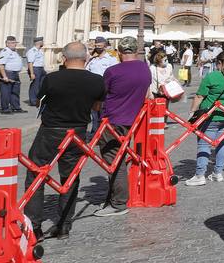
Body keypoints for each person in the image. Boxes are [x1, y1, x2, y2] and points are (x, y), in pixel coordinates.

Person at [23, 42, 106, 239]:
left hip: (50, 131)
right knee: (70, 177)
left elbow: (40, 102)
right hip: (77, 132)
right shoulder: (97, 80)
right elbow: (96, 107)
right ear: (86, 58)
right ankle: (64, 225)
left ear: (63, 58)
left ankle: (34, 226)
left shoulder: (52, 78)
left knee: (36, 174)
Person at [96, 36, 152, 217]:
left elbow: (102, 95)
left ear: (119, 53)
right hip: (133, 121)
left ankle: (118, 203)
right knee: (119, 160)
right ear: (136, 51)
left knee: (115, 161)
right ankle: (113, 198)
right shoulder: (145, 69)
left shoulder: (113, 71)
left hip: (112, 121)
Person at [186, 51, 224, 186]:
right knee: (222, 144)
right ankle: (218, 173)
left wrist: (192, 112)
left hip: (211, 115)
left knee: (204, 143)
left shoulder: (212, 77)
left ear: (219, 63)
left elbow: (199, 96)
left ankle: (200, 175)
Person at [0, 36, 26, 114]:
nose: (15, 44)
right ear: (8, 43)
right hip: (8, 73)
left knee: (15, 91)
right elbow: (1, 65)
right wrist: (4, 76)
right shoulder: (5, 52)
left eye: (15, 43)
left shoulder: (14, 51)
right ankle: (5, 108)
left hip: (15, 74)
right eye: (13, 43)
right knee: (6, 92)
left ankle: (15, 107)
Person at [25, 37, 47, 107]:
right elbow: (30, 63)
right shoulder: (32, 51)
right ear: (39, 43)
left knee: (42, 84)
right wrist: (31, 73)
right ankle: (33, 100)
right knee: (35, 85)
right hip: (35, 69)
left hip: (41, 69)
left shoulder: (40, 50)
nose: (43, 43)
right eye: (43, 42)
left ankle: (40, 99)